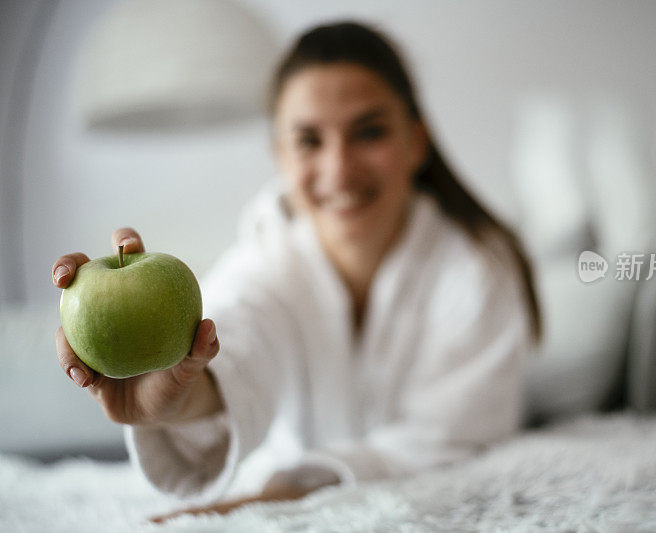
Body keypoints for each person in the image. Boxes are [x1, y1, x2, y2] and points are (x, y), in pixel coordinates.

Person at [51, 21, 540, 522]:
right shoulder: (266, 259)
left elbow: (456, 438)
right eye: (309, 140)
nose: (339, 169)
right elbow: (238, 342)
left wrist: (283, 494)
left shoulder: (479, 270)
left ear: (416, 142)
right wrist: (177, 394)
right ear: (280, 155)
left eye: (369, 132)